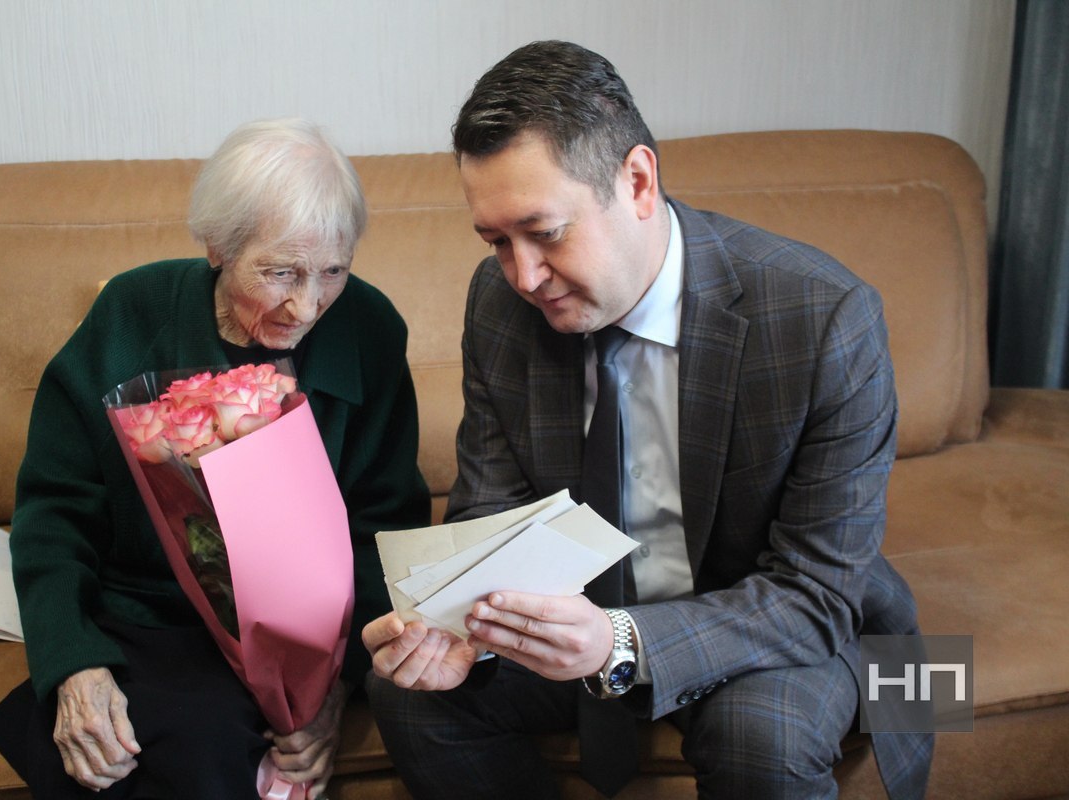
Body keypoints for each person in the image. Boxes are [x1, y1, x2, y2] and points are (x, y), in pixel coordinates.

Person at [363, 41, 932, 800]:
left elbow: (820, 594)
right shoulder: (498, 303)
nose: (523, 275)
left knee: (761, 739)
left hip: (785, 615)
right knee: (405, 694)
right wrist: (452, 624)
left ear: (636, 181)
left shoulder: (828, 317)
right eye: (497, 241)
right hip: (581, 619)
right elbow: (491, 516)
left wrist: (621, 642)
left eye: (545, 231)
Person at [0, 118, 430, 800]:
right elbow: (54, 510)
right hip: (147, 619)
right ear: (219, 246)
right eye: (280, 272)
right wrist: (72, 662)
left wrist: (340, 686)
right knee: (155, 758)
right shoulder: (131, 315)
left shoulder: (368, 328)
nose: (307, 305)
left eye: (333, 271)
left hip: (308, 641)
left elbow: (385, 523)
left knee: (236, 759)